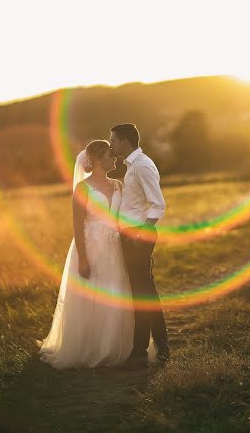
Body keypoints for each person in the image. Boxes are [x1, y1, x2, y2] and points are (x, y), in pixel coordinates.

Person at [36, 140, 134, 368]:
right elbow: (77, 226)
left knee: (116, 293)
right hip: (91, 246)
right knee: (91, 296)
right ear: (98, 160)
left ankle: (113, 347)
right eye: (111, 155)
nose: (115, 159)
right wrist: (83, 258)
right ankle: (89, 349)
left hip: (116, 248)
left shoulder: (118, 185)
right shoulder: (83, 188)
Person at [110, 123, 170, 369]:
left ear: (125, 141)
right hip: (130, 235)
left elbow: (158, 204)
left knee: (141, 295)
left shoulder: (143, 165)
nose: (111, 144)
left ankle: (139, 351)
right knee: (147, 294)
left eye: (113, 140)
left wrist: (140, 234)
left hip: (138, 236)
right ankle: (162, 347)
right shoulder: (132, 166)